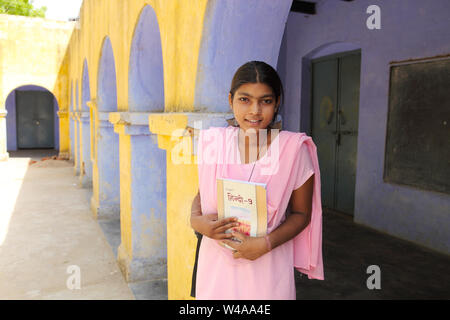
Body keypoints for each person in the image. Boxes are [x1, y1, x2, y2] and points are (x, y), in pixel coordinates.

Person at [190, 61, 324, 300]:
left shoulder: (293, 149)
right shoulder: (214, 142)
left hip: (267, 264)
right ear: (230, 100)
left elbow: (302, 214)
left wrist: (266, 244)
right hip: (217, 264)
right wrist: (196, 221)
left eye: (266, 100)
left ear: (277, 102)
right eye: (244, 99)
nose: (254, 110)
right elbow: (203, 194)